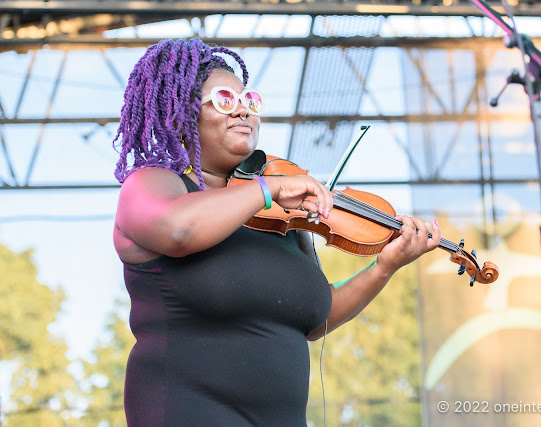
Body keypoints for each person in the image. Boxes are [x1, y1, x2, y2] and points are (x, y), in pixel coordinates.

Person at [112, 38, 441, 426]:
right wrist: (266, 191)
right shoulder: (152, 185)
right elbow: (179, 230)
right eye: (223, 100)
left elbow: (315, 319)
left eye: (250, 101)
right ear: (182, 115)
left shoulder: (280, 216)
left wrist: (383, 269)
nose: (243, 112)